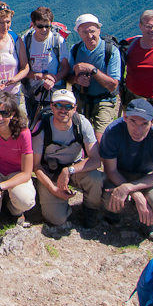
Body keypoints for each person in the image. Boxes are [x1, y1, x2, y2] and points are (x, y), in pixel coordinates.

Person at [100, 98, 153, 242]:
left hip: (148, 176)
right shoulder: (113, 131)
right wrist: (136, 194)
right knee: (109, 201)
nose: (138, 130)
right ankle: (119, 209)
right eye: (133, 121)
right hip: (120, 173)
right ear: (125, 117)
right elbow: (110, 170)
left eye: (144, 124)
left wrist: (128, 188)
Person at [32, 89, 103, 228]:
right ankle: (55, 199)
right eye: (59, 105)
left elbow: (96, 159)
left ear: (75, 109)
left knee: (97, 178)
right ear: (52, 106)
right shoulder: (42, 128)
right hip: (49, 172)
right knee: (57, 219)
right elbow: (36, 166)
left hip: (74, 169)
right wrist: (52, 189)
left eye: (68, 106)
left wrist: (68, 171)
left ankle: (90, 208)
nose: (63, 110)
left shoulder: (82, 124)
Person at [0, 90, 36, 221]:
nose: (0, 118)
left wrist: (0, 187)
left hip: (17, 173)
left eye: (5, 113)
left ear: (13, 114)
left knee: (25, 201)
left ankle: (13, 207)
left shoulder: (23, 133)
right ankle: (0, 200)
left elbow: (27, 173)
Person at [67, 13, 121, 139]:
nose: (90, 36)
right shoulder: (75, 50)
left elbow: (113, 85)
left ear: (99, 31)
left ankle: (98, 157)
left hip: (104, 100)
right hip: (81, 98)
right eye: (85, 32)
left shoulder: (110, 51)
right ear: (79, 33)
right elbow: (68, 77)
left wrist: (92, 70)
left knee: (100, 138)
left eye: (92, 31)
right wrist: (76, 79)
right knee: (78, 135)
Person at [23, 7, 71, 120]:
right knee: (34, 124)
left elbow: (65, 68)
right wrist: (41, 76)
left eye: (48, 26)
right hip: (32, 93)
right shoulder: (26, 40)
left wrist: (53, 79)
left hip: (54, 94)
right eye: (40, 26)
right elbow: (21, 68)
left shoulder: (58, 41)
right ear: (33, 25)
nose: (44, 29)